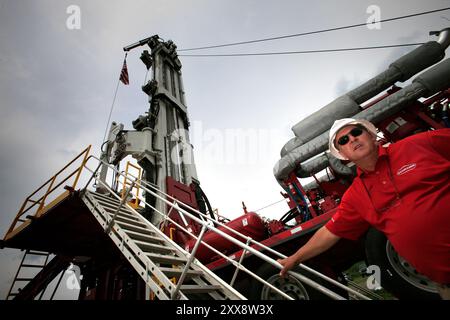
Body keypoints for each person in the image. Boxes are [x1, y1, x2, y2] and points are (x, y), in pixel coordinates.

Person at [277, 118, 450, 299]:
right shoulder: (355, 196)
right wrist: (294, 259)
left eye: (356, 132)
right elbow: (328, 233)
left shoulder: (419, 144)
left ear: (371, 135)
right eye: (343, 141)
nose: (351, 139)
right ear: (343, 154)